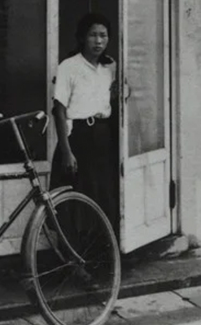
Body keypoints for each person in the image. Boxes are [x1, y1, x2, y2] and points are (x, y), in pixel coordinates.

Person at [52, 13, 122, 242]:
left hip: (103, 136)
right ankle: (74, 261)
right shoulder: (69, 67)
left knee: (104, 197)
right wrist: (66, 151)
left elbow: (122, 95)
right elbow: (59, 111)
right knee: (75, 203)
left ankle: (101, 256)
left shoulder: (110, 68)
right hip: (78, 138)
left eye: (103, 35)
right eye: (93, 35)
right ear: (82, 37)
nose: (98, 41)